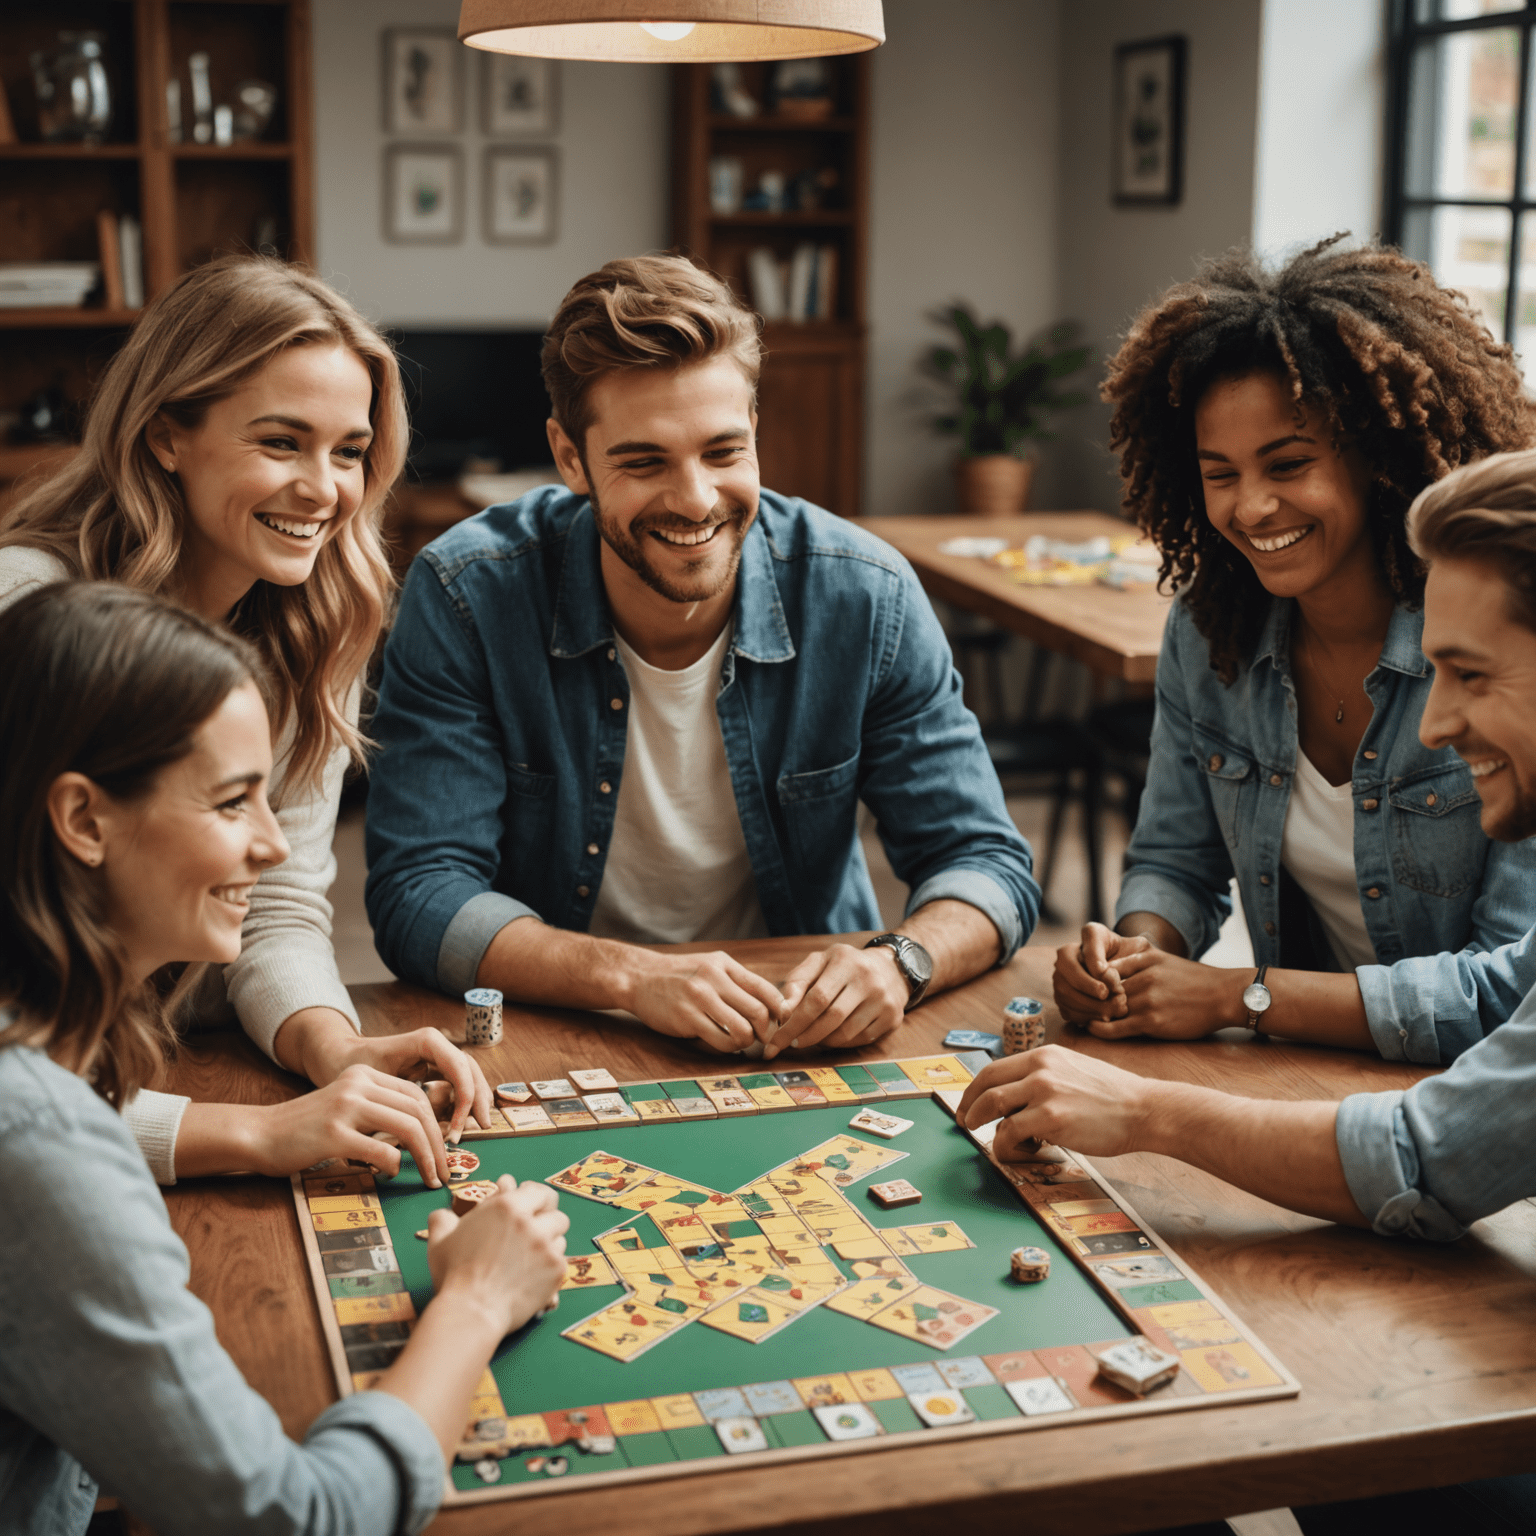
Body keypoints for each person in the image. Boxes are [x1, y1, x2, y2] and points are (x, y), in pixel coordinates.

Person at [962, 450, 1536, 1534]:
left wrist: (1151, 1105)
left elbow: (1425, 1158)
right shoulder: (1216, 633)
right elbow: (1499, 1000)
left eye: (1470, 675)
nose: (1439, 724)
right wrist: (1164, 974)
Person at [0, 581, 569, 1536]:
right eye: (232, 802)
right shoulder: (41, 1140)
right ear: (84, 821)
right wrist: (477, 1299)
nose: (272, 845)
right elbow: (298, 1520)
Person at [365, 255, 1038, 1057]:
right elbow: (419, 893)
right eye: (644, 461)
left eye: (722, 451)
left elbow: (986, 861)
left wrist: (902, 962)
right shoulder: (469, 593)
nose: (694, 500)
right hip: (561, 1024)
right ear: (570, 455)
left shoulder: (865, 595)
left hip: (796, 1034)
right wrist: (632, 977)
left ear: (755, 428)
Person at [0, 255, 492, 1187]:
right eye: (281, 442)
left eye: (349, 451)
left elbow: (281, 901)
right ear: (164, 436)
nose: (324, 490)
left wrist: (329, 1046)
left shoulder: (322, 614)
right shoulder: (27, 614)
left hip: (154, 1065)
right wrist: (252, 1135)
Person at [1052, 238, 1536, 1062]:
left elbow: (1507, 998)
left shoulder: (1494, 651)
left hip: (1471, 1107)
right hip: (1306, 1073)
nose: (1253, 506)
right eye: (1220, 473)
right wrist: (1135, 956)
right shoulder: (1211, 633)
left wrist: (1241, 995)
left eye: (1288, 463)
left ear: (1377, 455)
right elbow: (1176, 855)